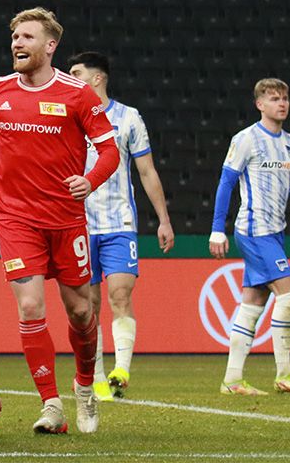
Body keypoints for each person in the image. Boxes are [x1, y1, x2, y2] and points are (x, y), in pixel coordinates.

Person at [0, 7, 119, 435]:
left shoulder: (77, 94)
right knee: (31, 305)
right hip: (17, 218)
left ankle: (84, 387)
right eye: (15, 36)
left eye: (27, 37)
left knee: (80, 312)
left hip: (66, 218)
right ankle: (51, 405)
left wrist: (89, 180)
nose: (17, 43)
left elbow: (109, 151)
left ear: (50, 45)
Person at [67, 52, 175, 402]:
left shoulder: (129, 118)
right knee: (89, 305)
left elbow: (146, 171)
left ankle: (122, 371)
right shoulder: (68, 116)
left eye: (76, 73)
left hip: (119, 223)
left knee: (120, 295)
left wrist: (164, 220)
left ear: (97, 78)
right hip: (78, 224)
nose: (69, 78)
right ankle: (96, 378)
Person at [209, 77, 290, 396]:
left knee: (253, 304)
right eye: (274, 98)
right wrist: (218, 228)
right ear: (260, 104)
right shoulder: (246, 139)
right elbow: (226, 183)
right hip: (254, 230)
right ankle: (284, 373)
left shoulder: (289, 143)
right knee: (289, 295)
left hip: (276, 231)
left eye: (285, 98)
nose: (282, 103)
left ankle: (232, 380)